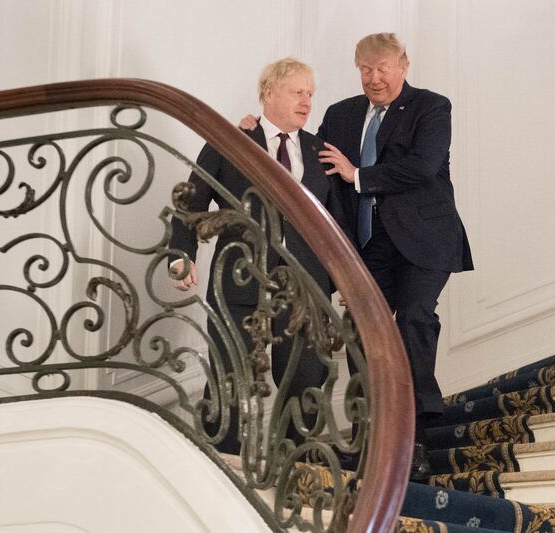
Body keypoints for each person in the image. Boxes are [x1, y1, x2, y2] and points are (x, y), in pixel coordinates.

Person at [317, 32, 474, 481]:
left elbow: (422, 166)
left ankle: (415, 438)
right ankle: (370, 436)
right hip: (369, 244)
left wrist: (359, 175)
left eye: (383, 67)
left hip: (425, 238)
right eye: (365, 68)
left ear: (403, 65)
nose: (374, 77)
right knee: (364, 331)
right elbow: (313, 162)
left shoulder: (431, 106)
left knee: (413, 319)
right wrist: (262, 131)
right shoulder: (341, 114)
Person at [169, 58, 345, 455]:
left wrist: (343, 280)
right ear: (268, 93)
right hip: (238, 281)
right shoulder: (230, 141)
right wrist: (181, 254)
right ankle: (223, 466)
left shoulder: (320, 151)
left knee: (304, 384)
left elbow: (336, 225)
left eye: (311, 94)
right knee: (231, 379)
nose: (307, 101)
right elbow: (190, 203)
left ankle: (296, 470)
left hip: (304, 288)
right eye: (298, 92)